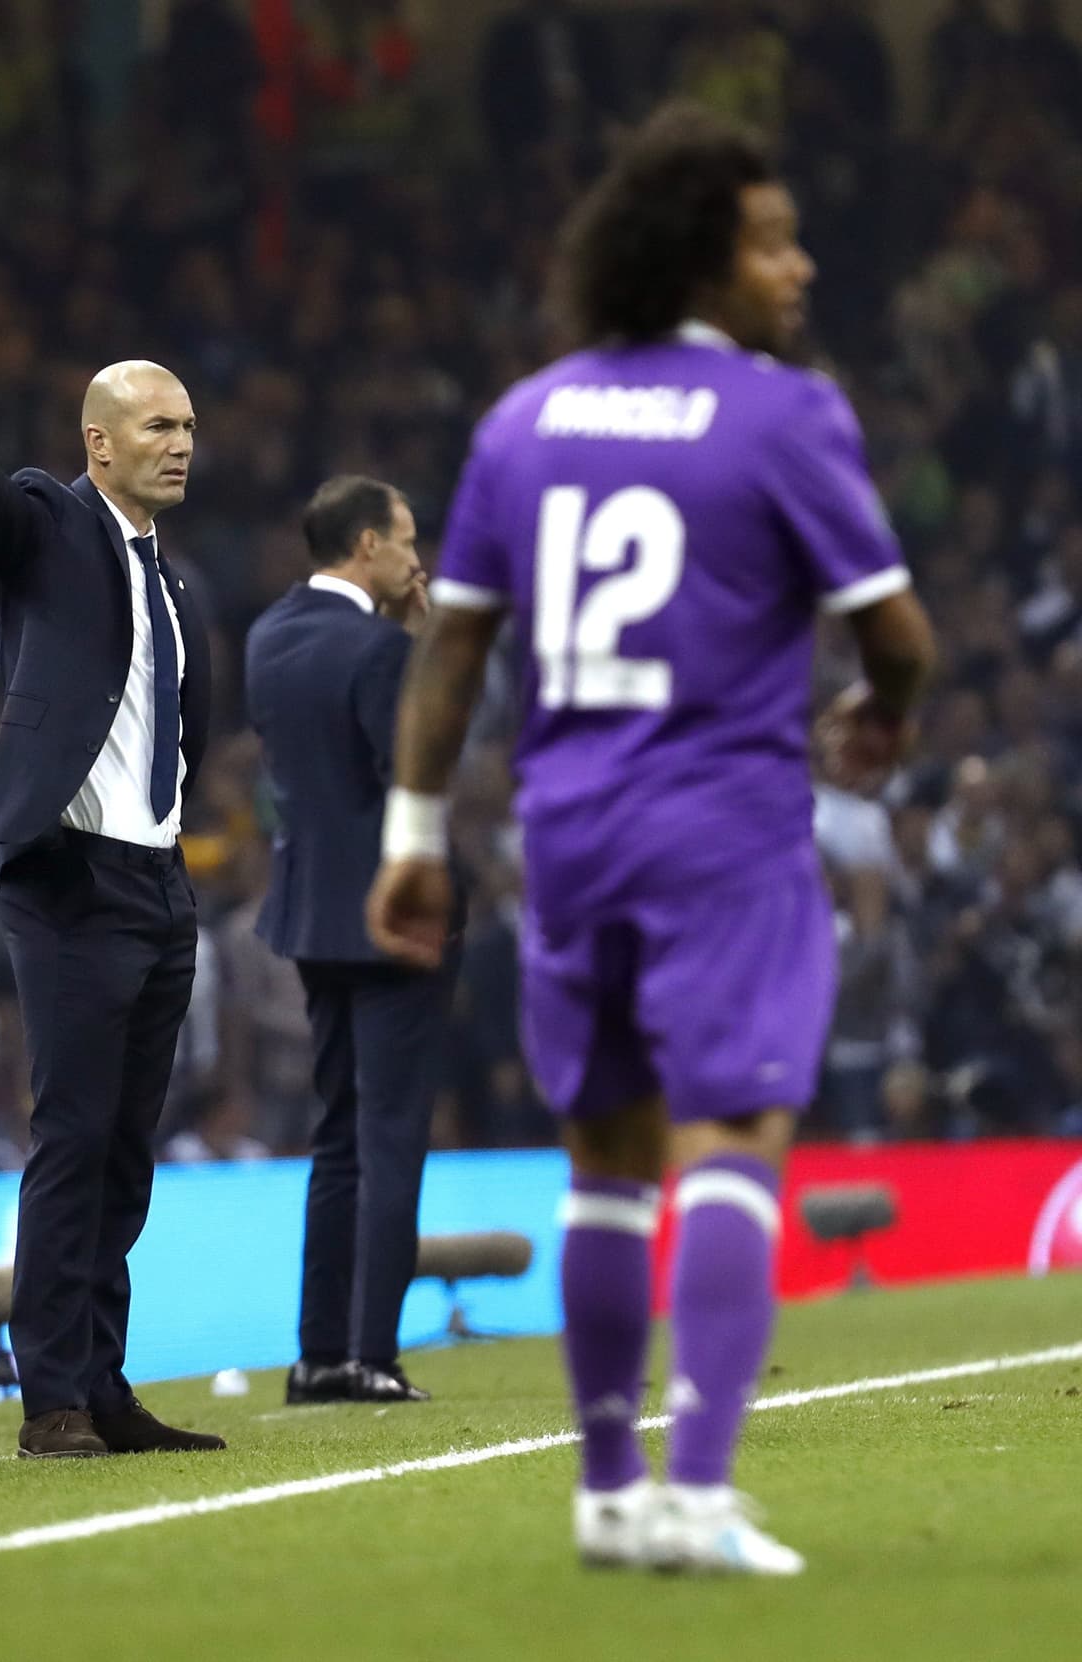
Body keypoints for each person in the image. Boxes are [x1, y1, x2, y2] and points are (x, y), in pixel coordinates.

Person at [366, 103, 935, 1572]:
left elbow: (454, 658)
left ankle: (608, 1490)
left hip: (569, 830)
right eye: (770, 241)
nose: (798, 268)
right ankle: (696, 1489)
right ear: (704, 259)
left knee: (606, 1160)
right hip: (723, 828)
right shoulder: (784, 414)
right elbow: (902, 635)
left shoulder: (522, 418)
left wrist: (415, 831)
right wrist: (881, 708)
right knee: (733, 1140)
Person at [0, 347, 224, 1459]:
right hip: (71, 877)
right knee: (73, 1133)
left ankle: (103, 1385)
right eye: (156, 427)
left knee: (128, 1150)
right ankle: (51, 1396)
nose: (181, 443)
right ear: (100, 442)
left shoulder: (180, 585)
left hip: (157, 879)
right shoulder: (53, 522)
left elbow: (193, 731)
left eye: (187, 425)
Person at [245, 475, 456, 1405]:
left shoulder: (267, 636)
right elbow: (416, 770)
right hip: (390, 920)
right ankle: (375, 1352)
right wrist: (426, 646)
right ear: (366, 545)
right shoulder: (378, 647)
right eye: (407, 540)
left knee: (335, 1139)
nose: (418, 559)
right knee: (392, 1135)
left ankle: (319, 1353)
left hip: (308, 918)